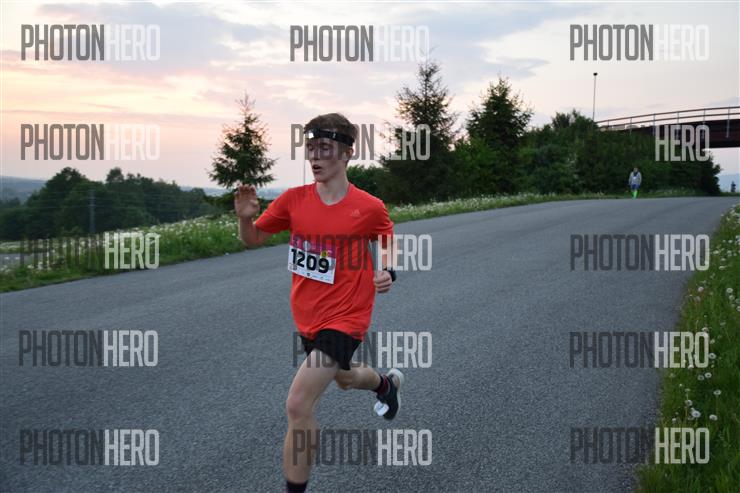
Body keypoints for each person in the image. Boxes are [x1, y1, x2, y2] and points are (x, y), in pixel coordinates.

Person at [233, 113, 404, 493]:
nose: (315, 156)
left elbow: (387, 238)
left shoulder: (368, 206)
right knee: (345, 379)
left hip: (347, 316)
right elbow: (253, 239)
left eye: (325, 148)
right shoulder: (293, 201)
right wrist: (245, 221)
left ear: (347, 153)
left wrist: (388, 271)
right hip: (309, 317)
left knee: (298, 404)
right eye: (310, 148)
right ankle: (385, 385)